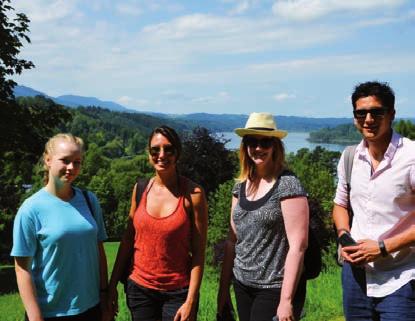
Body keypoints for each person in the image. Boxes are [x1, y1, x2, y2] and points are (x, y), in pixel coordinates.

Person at [106, 125, 208, 321]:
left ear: (177, 153)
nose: (161, 155)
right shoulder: (140, 189)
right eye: (155, 150)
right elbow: (127, 241)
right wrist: (111, 288)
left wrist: (190, 301)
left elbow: (198, 252)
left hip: (178, 292)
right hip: (140, 290)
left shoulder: (193, 195)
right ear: (148, 154)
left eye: (168, 149)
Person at [332, 81, 415, 321]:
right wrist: (344, 236)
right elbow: (340, 204)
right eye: (361, 113)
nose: (368, 119)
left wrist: (382, 248)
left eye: (376, 112)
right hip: (355, 277)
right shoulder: (350, 157)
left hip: (402, 277)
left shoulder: (410, 156)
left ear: (391, 114)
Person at [217, 112, 309, 321]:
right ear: (245, 146)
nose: (258, 148)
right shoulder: (240, 186)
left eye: (265, 142)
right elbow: (232, 241)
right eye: (252, 141)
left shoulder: (287, 185)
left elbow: (298, 246)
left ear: (275, 145)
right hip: (241, 283)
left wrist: (286, 301)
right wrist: (223, 291)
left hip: (273, 288)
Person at [11, 133, 109, 321]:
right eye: (65, 161)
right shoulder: (31, 209)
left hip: (91, 308)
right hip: (51, 313)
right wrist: (35, 317)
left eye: (77, 162)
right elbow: (22, 269)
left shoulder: (89, 200)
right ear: (48, 160)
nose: (71, 168)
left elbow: (99, 251)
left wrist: (104, 296)